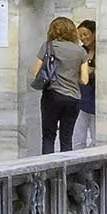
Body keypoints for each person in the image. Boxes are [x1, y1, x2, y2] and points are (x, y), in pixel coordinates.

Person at [31, 15, 88, 154]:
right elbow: (84, 80)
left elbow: (35, 72)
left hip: (52, 95)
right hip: (73, 97)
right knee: (67, 138)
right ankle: (66, 173)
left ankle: (48, 172)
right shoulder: (81, 51)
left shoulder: (48, 46)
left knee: (49, 136)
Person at [73, 21, 99, 149]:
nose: (83, 38)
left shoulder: (102, 50)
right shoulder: (81, 51)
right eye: (80, 35)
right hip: (82, 95)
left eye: (85, 34)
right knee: (78, 136)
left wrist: (94, 71)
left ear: (94, 33)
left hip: (97, 96)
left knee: (97, 136)